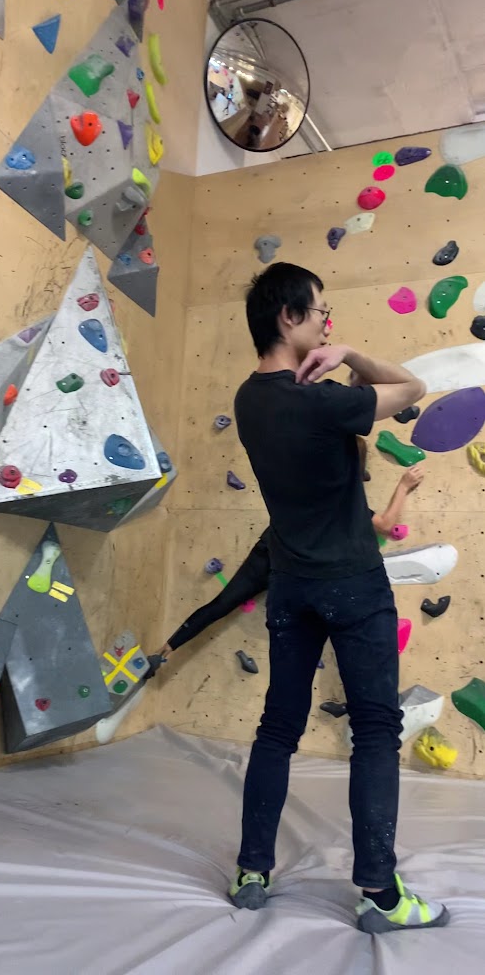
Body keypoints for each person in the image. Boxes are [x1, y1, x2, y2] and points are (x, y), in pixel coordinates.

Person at [228, 261, 449, 934]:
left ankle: (251, 872)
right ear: (288, 318)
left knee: (276, 729)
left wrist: (340, 374)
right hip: (353, 583)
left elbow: (329, 459)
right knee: (377, 732)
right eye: (320, 312)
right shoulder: (320, 401)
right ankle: (381, 895)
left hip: (292, 586)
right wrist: (350, 355)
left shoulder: (248, 399)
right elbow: (413, 385)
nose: (329, 322)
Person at [155, 461, 424, 664]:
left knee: (225, 602)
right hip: (291, 567)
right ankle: (169, 646)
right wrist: (403, 486)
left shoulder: (308, 484)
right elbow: (387, 525)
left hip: (276, 556)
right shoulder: (344, 503)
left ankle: (168, 646)